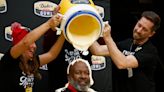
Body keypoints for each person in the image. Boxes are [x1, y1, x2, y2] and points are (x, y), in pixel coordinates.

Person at [89, 11, 161, 92]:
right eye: (139, 25)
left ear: (151, 34)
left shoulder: (150, 51)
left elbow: (122, 63)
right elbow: (97, 50)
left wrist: (107, 37)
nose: (139, 30)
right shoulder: (127, 43)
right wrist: (86, 33)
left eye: (144, 29)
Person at [0, 13, 64, 92]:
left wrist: (64, 33)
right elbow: (25, 42)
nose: (34, 46)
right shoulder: (10, 59)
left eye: (34, 42)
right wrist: (48, 24)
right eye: (32, 42)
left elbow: (52, 54)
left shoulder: (33, 62)